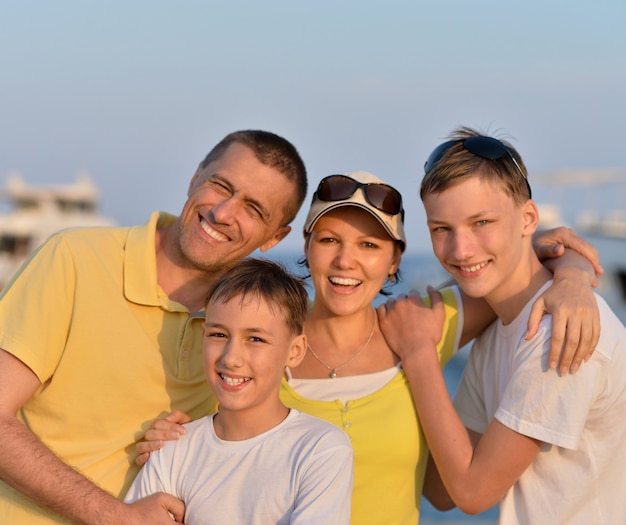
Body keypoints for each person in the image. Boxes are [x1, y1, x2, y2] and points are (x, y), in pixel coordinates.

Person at [139, 171, 603, 525]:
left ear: (395, 258)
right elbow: (208, 434)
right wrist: (166, 441)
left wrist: (576, 276)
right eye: (329, 241)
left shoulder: (418, 326)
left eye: (369, 244)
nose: (346, 261)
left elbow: (509, 269)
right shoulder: (264, 348)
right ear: (308, 246)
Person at [0, 129, 308, 524]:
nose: (223, 212)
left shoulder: (255, 328)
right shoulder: (75, 259)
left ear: (275, 237)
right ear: (195, 176)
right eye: (220, 185)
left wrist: (191, 442)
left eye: (254, 209)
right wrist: (117, 517)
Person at [378, 127, 626, 524]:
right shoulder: (500, 325)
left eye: (481, 222)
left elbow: (472, 494)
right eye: (442, 229)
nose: (461, 249)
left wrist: (419, 354)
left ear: (528, 218)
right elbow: (441, 490)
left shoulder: (556, 332)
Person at [125, 258, 354, 524]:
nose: (231, 358)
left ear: (295, 351)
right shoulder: (173, 449)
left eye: (255, 339)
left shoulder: (319, 450)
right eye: (219, 335)